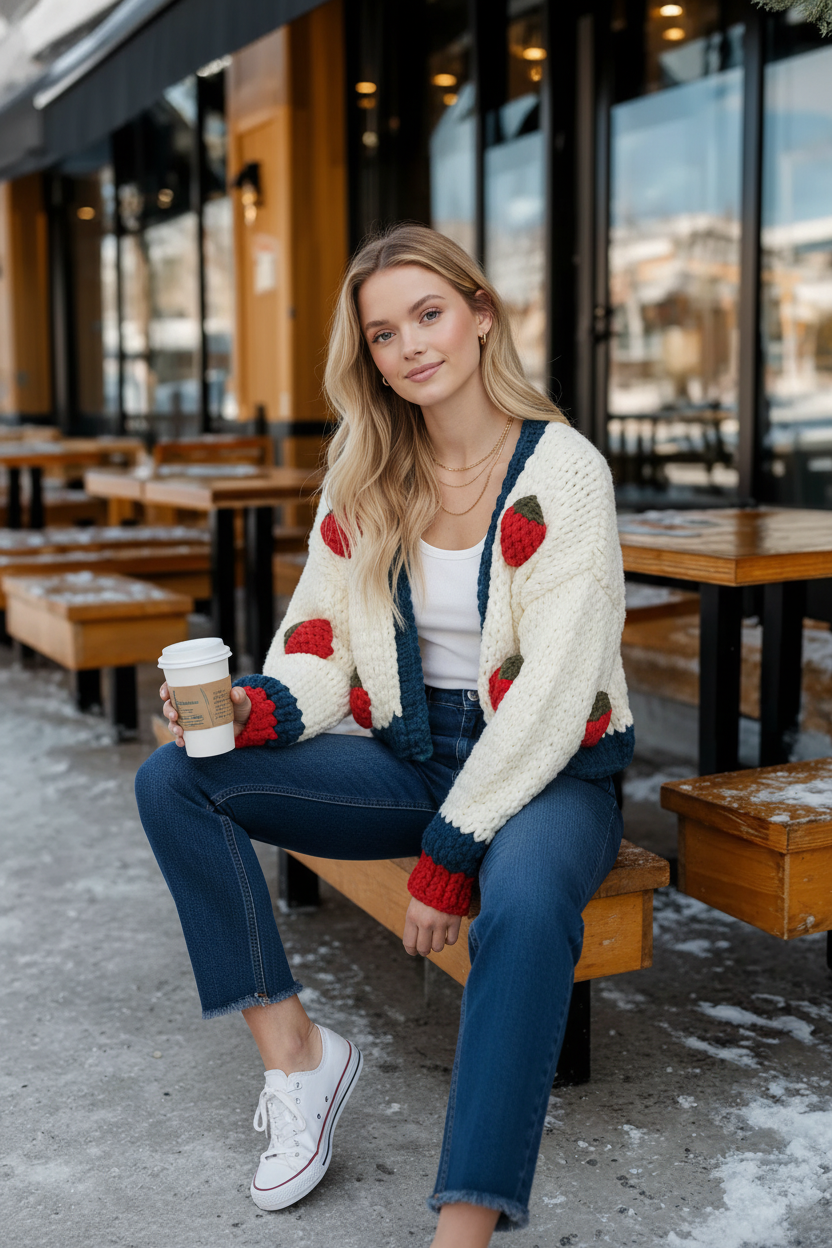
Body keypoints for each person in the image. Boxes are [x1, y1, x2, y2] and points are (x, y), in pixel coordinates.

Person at [135, 222, 633, 1246]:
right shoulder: (364, 472)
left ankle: (463, 1228)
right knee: (176, 779)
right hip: (415, 752)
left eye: (429, 313)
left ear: (480, 315)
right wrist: (247, 712)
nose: (409, 344)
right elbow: (323, 645)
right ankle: (298, 1059)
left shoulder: (565, 474)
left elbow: (550, 694)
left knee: (528, 904)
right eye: (381, 332)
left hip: (551, 771)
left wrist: (450, 854)